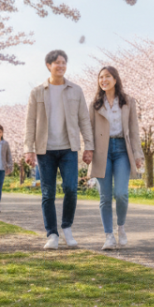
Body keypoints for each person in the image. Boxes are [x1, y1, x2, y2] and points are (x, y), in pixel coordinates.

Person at [24, 49, 94, 250]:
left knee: (71, 188)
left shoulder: (75, 90)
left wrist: (89, 146)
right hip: (45, 150)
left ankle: (67, 228)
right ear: (49, 65)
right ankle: (52, 234)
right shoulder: (37, 91)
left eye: (64, 62)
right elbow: (30, 122)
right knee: (48, 193)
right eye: (57, 63)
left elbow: (84, 120)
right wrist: (28, 149)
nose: (61, 66)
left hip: (68, 148)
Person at [89, 66, 144, 250]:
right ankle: (109, 236)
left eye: (107, 77)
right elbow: (89, 131)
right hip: (102, 152)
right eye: (101, 77)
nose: (103, 80)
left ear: (115, 79)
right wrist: (88, 150)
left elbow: (134, 130)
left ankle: (120, 227)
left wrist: (137, 155)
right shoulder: (95, 104)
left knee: (121, 193)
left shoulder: (128, 101)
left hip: (122, 150)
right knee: (105, 196)